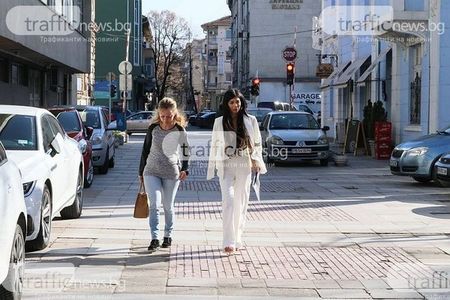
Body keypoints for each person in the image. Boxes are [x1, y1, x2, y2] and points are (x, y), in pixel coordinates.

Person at [207, 89, 267, 254]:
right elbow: (214, 143)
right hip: (226, 164)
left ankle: (237, 238)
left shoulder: (251, 120)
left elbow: (257, 142)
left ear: (242, 103)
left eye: (238, 102)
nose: (235, 105)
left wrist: (256, 160)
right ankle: (228, 240)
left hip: (244, 164)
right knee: (228, 201)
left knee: (241, 203)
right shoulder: (219, 121)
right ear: (226, 104)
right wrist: (213, 165)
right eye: (232, 102)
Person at [139, 98, 190, 252]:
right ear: (158, 114)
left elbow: (186, 151)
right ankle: (154, 238)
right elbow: (145, 150)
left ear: (175, 114)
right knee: (154, 204)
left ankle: (167, 235)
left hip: (171, 172)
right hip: (151, 171)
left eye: (169, 116)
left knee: (168, 206)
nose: (166, 119)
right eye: (162, 116)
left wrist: (185, 169)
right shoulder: (153, 128)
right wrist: (141, 172)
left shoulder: (180, 130)